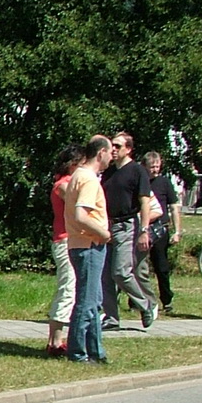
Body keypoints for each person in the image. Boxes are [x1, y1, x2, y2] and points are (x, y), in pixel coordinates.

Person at [99, 132, 157, 330]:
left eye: (118, 146)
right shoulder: (108, 172)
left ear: (128, 149)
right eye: (111, 146)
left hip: (126, 225)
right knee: (105, 275)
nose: (113, 150)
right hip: (107, 226)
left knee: (120, 272)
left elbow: (144, 202)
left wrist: (144, 230)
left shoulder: (137, 171)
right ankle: (111, 317)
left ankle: (145, 304)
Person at [65, 135, 113, 363]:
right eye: (111, 152)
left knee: (94, 300)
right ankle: (77, 352)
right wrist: (103, 233)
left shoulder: (79, 175)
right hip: (89, 244)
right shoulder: (89, 179)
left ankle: (95, 351)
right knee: (86, 300)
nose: (112, 157)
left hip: (81, 244)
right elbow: (81, 215)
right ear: (101, 152)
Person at [46, 145, 84, 357]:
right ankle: (56, 339)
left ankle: (56, 339)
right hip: (65, 240)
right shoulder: (62, 184)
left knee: (71, 288)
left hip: (73, 239)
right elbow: (78, 202)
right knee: (67, 288)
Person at [139, 150, 181, 312]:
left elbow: (174, 207)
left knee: (161, 266)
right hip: (140, 227)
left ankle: (167, 299)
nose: (155, 170)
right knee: (136, 265)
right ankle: (136, 299)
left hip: (159, 228)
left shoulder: (164, 182)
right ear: (144, 166)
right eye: (152, 167)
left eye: (157, 166)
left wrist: (177, 231)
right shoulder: (139, 181)